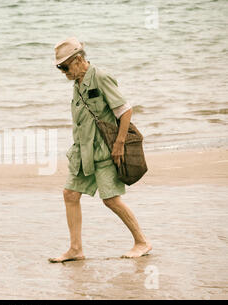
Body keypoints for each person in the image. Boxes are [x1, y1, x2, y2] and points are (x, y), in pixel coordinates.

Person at [48, 37, 152, 262]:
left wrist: (119, 144)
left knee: (111, 200)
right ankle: (76, 249)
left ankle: (142, 242)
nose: (62, 72)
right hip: (82, 153)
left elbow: (125, 111)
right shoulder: (77, 83)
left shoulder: (101, 77)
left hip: (104, 152)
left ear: (78, 60)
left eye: (64, 67)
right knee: (70, 194)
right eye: (59, 68)